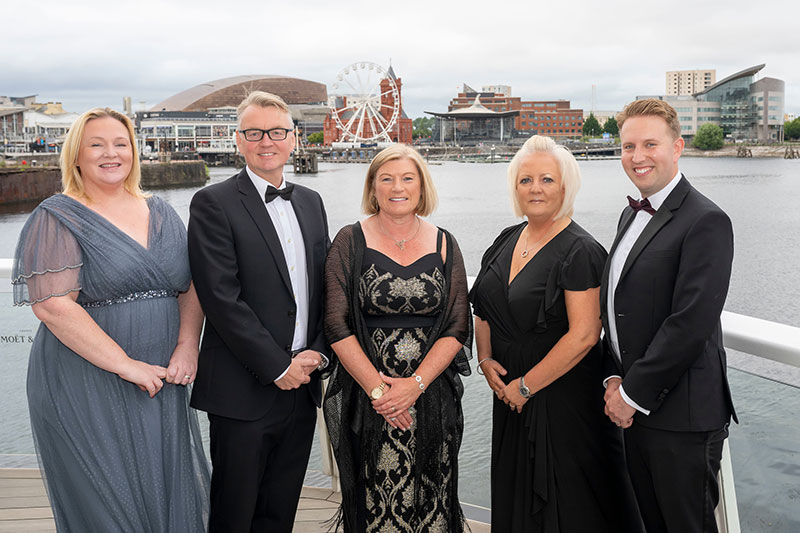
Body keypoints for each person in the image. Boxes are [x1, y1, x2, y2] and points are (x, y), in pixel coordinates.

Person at [12, 108, 210, 531]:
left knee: (164, 488)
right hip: (86, 379)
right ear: (76, 156)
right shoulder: (57, 216)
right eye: (96, 145)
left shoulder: (161, 212)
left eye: (121, 144)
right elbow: (52, 304)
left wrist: (186, 345)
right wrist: (127, 365)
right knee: (109, 500)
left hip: (160, 378)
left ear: (134, 152)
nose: (111, 153)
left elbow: (192, 286)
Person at [469, 135, 642, 532]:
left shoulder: (581, 250)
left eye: (547, 179)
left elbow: (584, 335)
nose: (535, 189)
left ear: (566, 187)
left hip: (561, 400)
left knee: (566, 504)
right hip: (510, 395)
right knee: (518, 495)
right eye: (526, 180)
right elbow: (483, 307)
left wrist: (526, 386)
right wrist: (485, 357)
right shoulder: (506, 240)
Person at [187, 91, 330, 533]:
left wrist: (318, 355)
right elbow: (220, 297)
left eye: (277, 132)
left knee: (279, 509)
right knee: (235, 512)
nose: (266, 141)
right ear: (238, 140)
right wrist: (276, 366)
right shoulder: (212, 203)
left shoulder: (311, 201)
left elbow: (325, 290)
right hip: (242, 390)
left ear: (294, 139)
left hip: (302, 386)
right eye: (254, 132)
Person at [602, 99, 737, 533]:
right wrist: (612, 379)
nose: (637, 157)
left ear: (677, 147)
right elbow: (619, 309)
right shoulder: (630, 213)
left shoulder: (707, 220)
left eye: (649, 144)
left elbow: (690, 323)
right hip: (637, 409)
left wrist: (631, 394)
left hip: (682, 416)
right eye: (627, 147)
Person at [323, 144, 472, 532]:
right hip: (368, 400)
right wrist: (380, 393)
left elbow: (458, 325)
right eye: (385, 179)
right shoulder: (349, 242)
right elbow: (336, 325)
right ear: (372, 188)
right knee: (375, 504)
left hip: (431, 399)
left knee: (433, 501)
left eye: (408, 178)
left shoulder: (445, 243)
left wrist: (414, 386)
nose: (397, 187)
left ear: (422, 187)